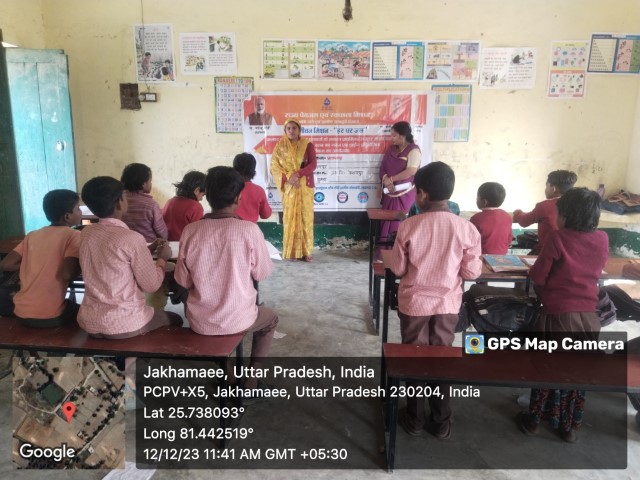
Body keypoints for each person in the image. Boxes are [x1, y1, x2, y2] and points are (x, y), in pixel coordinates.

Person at [388, 162, 482, 439]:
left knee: (415, 358)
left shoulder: (409, 226)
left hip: (414, 305)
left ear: (423, 194)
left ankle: (415, 418)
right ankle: (441, 421)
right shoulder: (466, 228)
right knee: (441, 358)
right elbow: (471, 272)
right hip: (447, 306)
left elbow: (398, 269)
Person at [518, 187, 609, 443]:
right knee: (576, 370)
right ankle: (569, 427)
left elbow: (538, 276)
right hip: (589, 317)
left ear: (566, 215)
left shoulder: (557, 238)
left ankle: (534, 421)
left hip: (557, 315)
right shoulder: (602, 238)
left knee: (547, 368)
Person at [175, 167, 278, 388]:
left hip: (201, 320)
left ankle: (228, 374)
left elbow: (183, 281)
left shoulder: (191, 231)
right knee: (270, 320)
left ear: (207, 196)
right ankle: (252, 377)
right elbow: (261, 273)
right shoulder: (249, 230)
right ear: (239, 198)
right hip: (240, 318)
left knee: (213, 333)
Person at [77, 176, 182, 338]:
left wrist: (147, 250)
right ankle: (141, 350)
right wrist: (162, 258)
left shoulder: (86, 233)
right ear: (120, 203)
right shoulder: (131, 238)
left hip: (90, 321)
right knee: (175, 319)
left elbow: (116, 259)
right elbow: (151, 285)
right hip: (124, 322)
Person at [0, 190, 82, 327]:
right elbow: (67, 274)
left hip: (20, 313)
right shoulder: (73, 235)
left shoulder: (32, 235)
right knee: (86, 313)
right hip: (51, 316)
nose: (81, 212)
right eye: (78, 209)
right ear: (67, 216)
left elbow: (5, 264)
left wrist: (33, 265)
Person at [270, 118, 317, 261]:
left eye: (294, 128)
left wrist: (298, 174)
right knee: (290, 219)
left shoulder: (307, 145)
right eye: (288, 128)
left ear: (299, 130)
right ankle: (292, 252)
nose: (291, 131)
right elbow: (274, 167)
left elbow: (313, 164)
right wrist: (289, 177)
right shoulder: (280, 147)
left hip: (305, 187)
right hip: (289, 187)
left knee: (305, 218)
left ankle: (307, 252)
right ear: (285, 130)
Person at [378, 121, 421, 256]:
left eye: (394, 135)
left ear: (402, 136)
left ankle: (398, 255)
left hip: (404, 195)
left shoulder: (413, 150)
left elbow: (411, 171)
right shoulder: (391, 150)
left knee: (400, 225)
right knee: (385, 223)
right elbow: (383, 167)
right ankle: (383, 253)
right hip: (389, 193)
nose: (392, 138)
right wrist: (386, 180)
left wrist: (391, 180)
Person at [513, 170, 577, 254]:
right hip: (571, 251)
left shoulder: (544, 206)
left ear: (553, 189)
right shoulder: (577, 205)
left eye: (547, 186)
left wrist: (518, 213)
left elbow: (524, 222)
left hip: (546, 251)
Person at [120, 162, 169, 242]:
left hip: (124, 243)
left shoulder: (118, 199)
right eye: (150, 181)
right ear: (143, 184)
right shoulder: (151, 205)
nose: (151, 184)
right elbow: (163, 234)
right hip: (147, 245)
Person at [470, 182, 514, 254]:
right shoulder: (507, 216)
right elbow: (509, 240)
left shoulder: (476, 218)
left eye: (477, 197)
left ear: (484, 202)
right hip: (502, 256)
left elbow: (470, 241)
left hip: (482, 256)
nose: (476, 199)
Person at [162, 170, 206, 241]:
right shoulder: (196, 207)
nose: (201, 199)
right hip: (185, 244)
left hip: (168, 243)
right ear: (197, 190)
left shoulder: (170, 202)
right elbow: (197, 233)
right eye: (203, 195)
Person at [233, 152, 272, 223]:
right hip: (251, 228)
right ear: (253, 171)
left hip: (230, 227)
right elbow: (266, 215)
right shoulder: (259, 191)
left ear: (234, 169)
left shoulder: (228, 188)